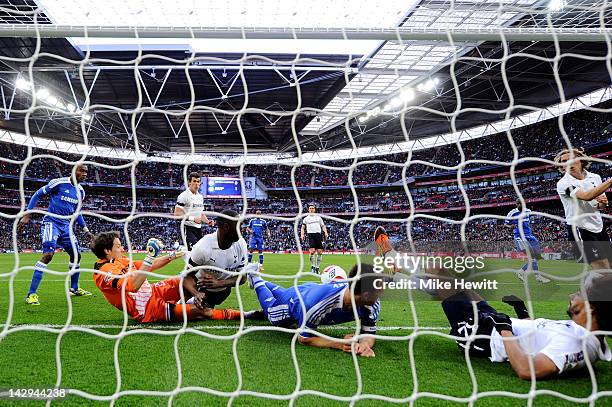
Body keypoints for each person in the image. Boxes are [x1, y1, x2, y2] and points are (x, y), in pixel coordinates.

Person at [374, 228, 612, 379]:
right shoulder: (580, 333)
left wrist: (504, 328)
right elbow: (536, 337)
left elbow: (529, 370)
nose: (573, 294)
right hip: (496, 324)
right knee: (446, 276)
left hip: (483, 336)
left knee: (440, 276)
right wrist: (522, 312)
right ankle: (397, 268)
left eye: (580, 292)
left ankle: (392, 260)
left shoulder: (578, 343)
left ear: (591, 307)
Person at [91, 232, 243, 322]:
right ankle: (245, 315)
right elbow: (132, 286)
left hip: (153, 292)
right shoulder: (103, 273)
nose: (122, 249)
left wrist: (172, 256)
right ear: (107, 251)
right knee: (203, 311)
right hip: (147, 308)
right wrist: (149, 257)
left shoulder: (120, 259)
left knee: (185, 280)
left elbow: (148, 266)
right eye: (118, 247)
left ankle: (194, 299)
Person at [246, 263, 383, 357]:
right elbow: (304, 338)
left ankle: (262, 280)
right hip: (296, 302)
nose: (381, 295)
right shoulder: (319, 304)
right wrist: (338, 344)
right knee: (271, 313)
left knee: (284, 294)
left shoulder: (372, 304)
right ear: (365, 295)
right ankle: (255, 277)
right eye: (379, 291)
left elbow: (368, 332)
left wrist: (364, 344)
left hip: (312, 290)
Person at [19, 164, 94, 306]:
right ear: (74, 171)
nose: (84, 174)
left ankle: (74, 288)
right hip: (51, 223)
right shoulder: (59, 183)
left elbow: (77, 213)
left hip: (66, 226)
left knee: (76, 254)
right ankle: (31, 294)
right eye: (82, 171)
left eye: (86, 172)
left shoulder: (81, 192)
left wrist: (86, 230)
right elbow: (37, 194)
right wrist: (27, 214)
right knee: (48, 255)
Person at [183, 210, 249, 318]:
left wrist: (219, 283)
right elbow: (186, 277)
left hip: (223, 291)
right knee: (189, 312)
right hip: (200, 288)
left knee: (202, 313)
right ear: (227, 227)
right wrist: (196, 294)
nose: (242, 230)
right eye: (239, 226)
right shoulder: (203, 247)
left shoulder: (241, 244)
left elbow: (243, 278)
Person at [554, 148, 612, 271]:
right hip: (580, 229)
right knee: (604, 272)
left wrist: (603, 203)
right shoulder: (563, 183)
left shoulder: (595, 177)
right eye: (563, 161)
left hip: (598, 227)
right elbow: (587, 196)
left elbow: (599, 206)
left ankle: (583, 291)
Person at [504, 199, 550, 283]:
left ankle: (531, 275)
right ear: (516, 204)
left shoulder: (528, 211)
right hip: (520, 237)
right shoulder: (512, 213)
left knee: (535, 257)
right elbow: (505, 223)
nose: (521, 205)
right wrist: (510, 227)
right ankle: (529, 274)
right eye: (519, 204)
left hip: (530, 236)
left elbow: (529, 221)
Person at [175, 172, 213, 250]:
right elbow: (177, 214)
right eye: (194, 181)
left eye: (198, 181)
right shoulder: (183, 196)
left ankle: (179, 248)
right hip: (187, 228)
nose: (196, 184)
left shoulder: (200, 197)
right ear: (189, 182)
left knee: (200, 253)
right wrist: (193, 219)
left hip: (198, 229)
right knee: (193, 252)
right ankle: (179, 248)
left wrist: (207, 221)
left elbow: (201, 213)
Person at [300, 204, 329, 274]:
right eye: (310, 208)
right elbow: (303, 228)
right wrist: (302, 234)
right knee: (312, 251)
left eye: (313, 208)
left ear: (314, 209)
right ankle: (312, 266)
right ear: (308, 210)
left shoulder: (318, 218)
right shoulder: (306, 219)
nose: (311, 209)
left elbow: (323, 226)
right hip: (311, 235)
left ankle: (317, 268)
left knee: (320, 252)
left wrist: (325, 232)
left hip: (318, 235)